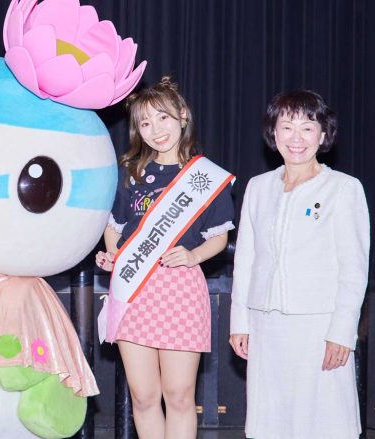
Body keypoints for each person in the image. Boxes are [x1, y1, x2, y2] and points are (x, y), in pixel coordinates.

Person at [96, 76, 235, 439]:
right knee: (143, 396)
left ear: (182, 116)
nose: (156, 130)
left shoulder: (205, 177)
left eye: (163, 118)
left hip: (181, 289)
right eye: (145, 123)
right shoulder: (131, 174)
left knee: (178, 395)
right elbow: (114, 227)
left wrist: (193, 255)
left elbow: (219, 237)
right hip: (134, 289)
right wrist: (114, 256)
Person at [229, 89, 370, 438]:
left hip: (318, 328)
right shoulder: (258, 187)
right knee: (271, 422)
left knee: (324, 422)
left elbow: (353, 270)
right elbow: (245, 260)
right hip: (265, 326)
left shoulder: (343, 188)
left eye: (307, 128)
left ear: (322, 136)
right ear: (273, 133)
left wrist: (342, 333)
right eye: (287, 127)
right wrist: (240, 322)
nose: (296, 138)